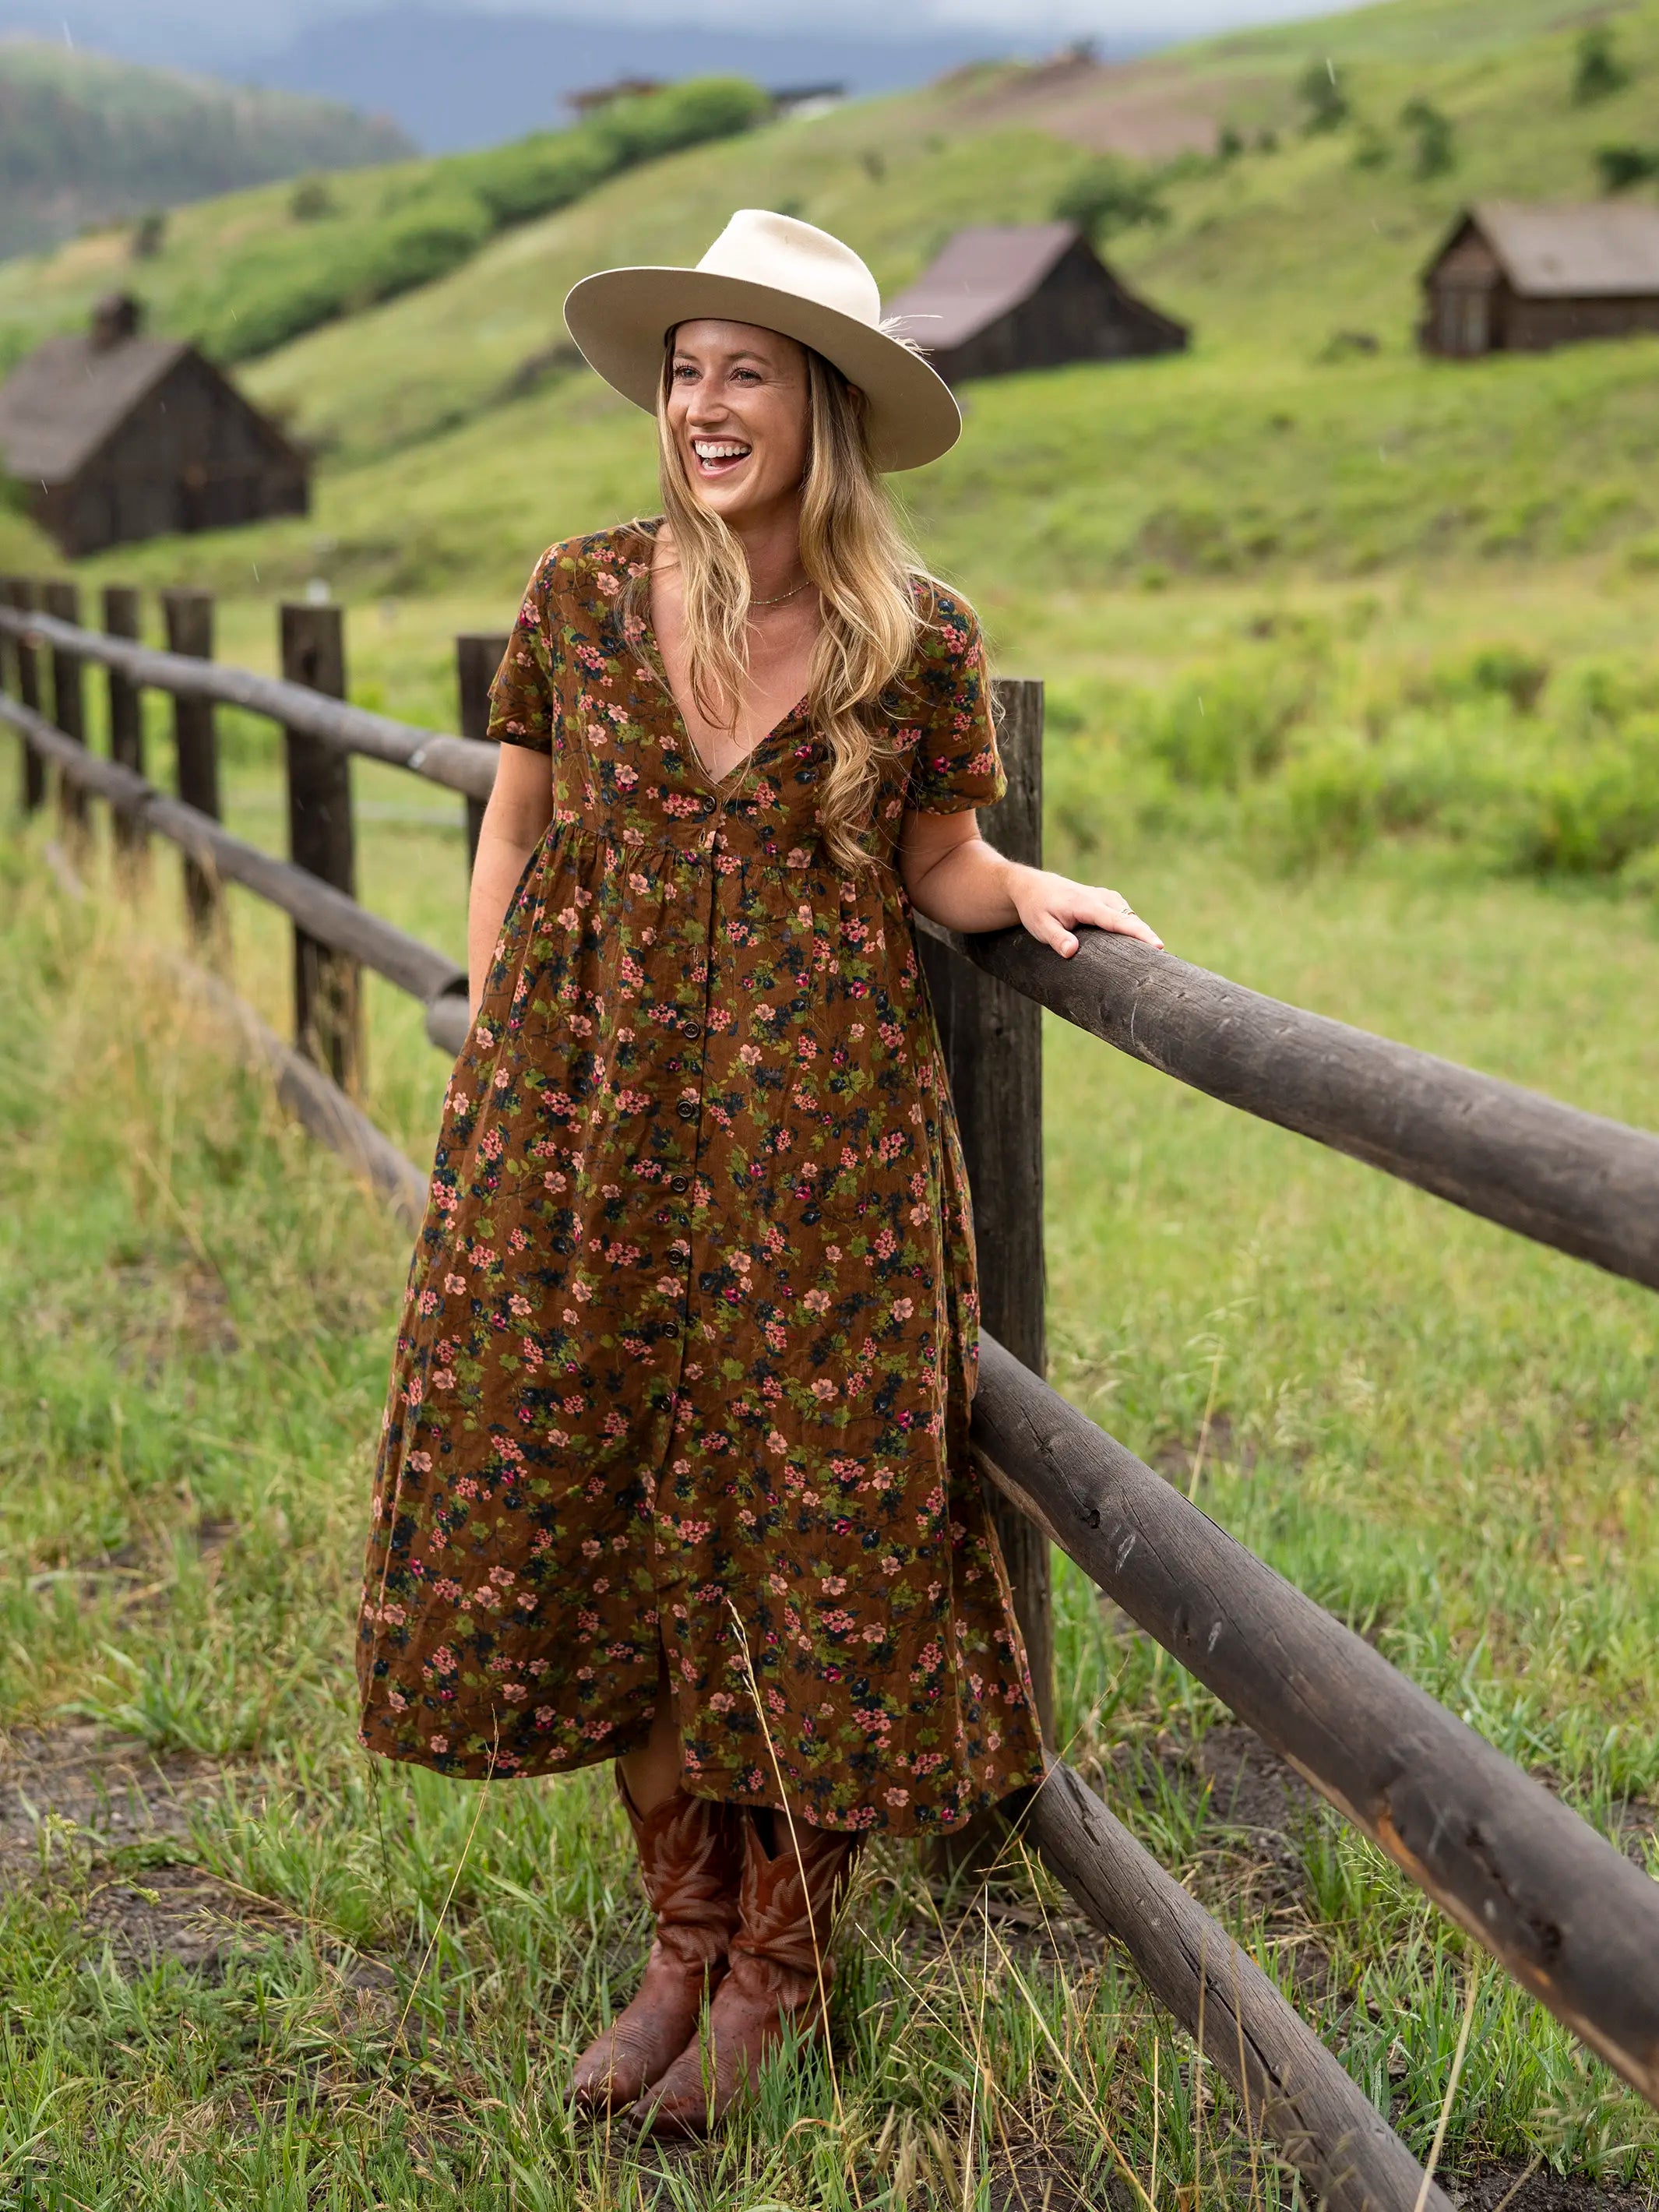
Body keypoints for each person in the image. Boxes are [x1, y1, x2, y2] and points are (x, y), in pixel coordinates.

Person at [355, 210, 1161, 2137]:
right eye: (685, 371)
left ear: (827, 406)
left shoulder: (917, 638)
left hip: (824, 1166)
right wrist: (497, 1050)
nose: (706, 408)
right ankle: (680, 1937)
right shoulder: (580, 593)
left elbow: (938, 864)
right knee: (612, 1506)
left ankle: (782, 1968)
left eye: (749, 373)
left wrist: (1027, 888)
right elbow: (517, 828)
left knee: (811, 1538)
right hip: (597, 1126)